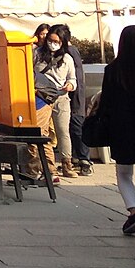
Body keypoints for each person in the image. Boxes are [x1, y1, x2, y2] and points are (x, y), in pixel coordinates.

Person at [98, 25, 135, 234]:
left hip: (122, 128)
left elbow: (106, 102)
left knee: (124, 173)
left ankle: (133, 210)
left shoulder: (113, 70)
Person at [29, 26, 75, 182]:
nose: (52, 44)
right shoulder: (37, 54)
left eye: (56, 41)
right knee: (42, 134)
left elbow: (73, 79)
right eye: (50, 40)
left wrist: (70, 85)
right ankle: (45, 169)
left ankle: (66, 163)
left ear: (63, 42)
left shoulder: (68, 59)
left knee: (62, 132)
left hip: (61, 98)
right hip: (41, 98)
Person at [57, 24, 93, 175]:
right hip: (71, 93)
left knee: (77, 126)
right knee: (71, 127)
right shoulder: (68, 51)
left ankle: (85, 160)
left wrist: (74, 92)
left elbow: (77, 76)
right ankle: (77, 159)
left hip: (75, 94)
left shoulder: (70, 52)